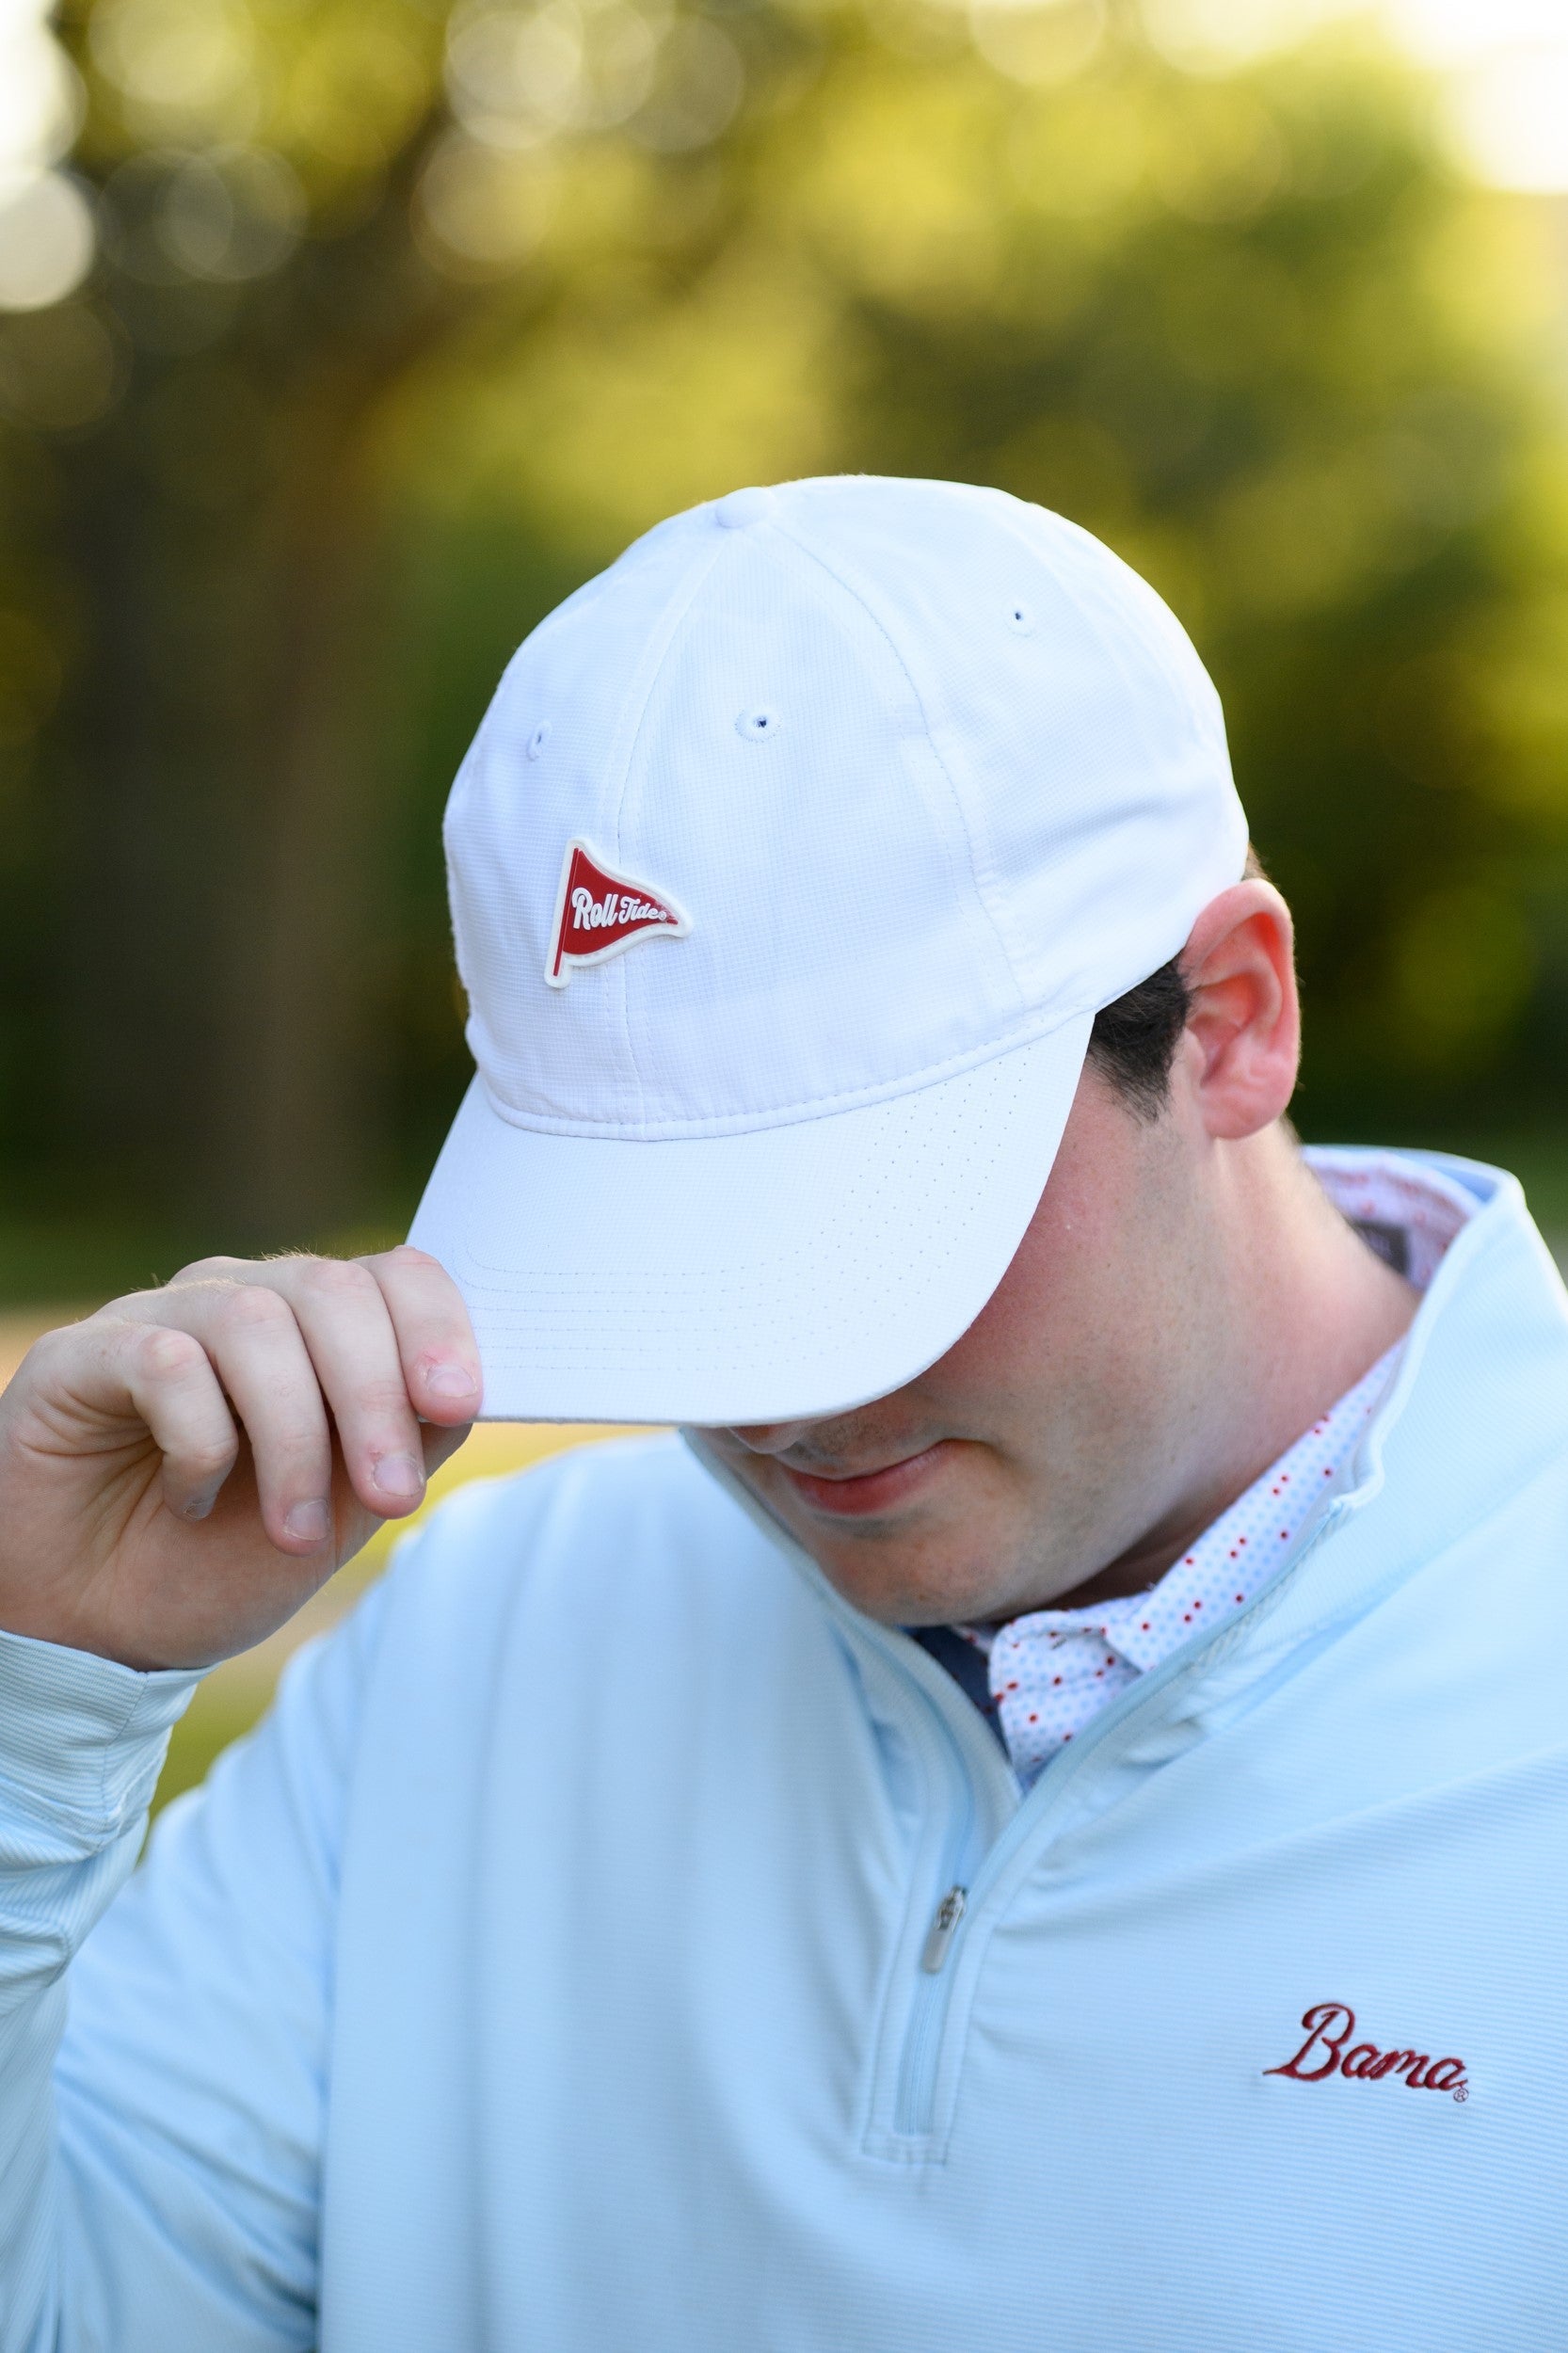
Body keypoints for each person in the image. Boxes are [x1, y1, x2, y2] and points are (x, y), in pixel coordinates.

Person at [0, 476, 1563, 2353]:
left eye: (872, 1228)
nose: (784, 1399)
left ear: (1226, 1016)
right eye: (675, 1240)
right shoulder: (475, 1633)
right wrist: (38, 1695)